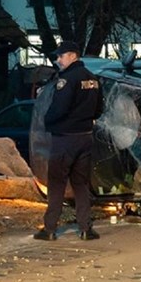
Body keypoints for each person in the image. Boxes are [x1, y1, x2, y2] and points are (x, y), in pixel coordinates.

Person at [34, 41, 103, 241]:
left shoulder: (67, 79)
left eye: (60, 56)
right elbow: (99, 109)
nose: (57, 60)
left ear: (72, 55)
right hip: (85, 138)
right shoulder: (92, 78)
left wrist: (46, 121)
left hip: (65, 139)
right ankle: (85, 228)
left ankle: (49, 229)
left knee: (56, 184)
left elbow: (59, 108)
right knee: (81, 184)